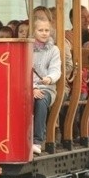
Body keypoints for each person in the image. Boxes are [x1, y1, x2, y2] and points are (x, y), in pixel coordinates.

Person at [32, 19, 62, 155]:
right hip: (27, 88)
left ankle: (37, 141)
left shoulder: (54, 50)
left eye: (47, 30)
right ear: (34, 31)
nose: (44, 33)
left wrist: (49, 79)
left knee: (41, 100)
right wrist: (32, 88)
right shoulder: (27, 48)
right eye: (40, 30)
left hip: (47, 88)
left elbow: (56, 70)